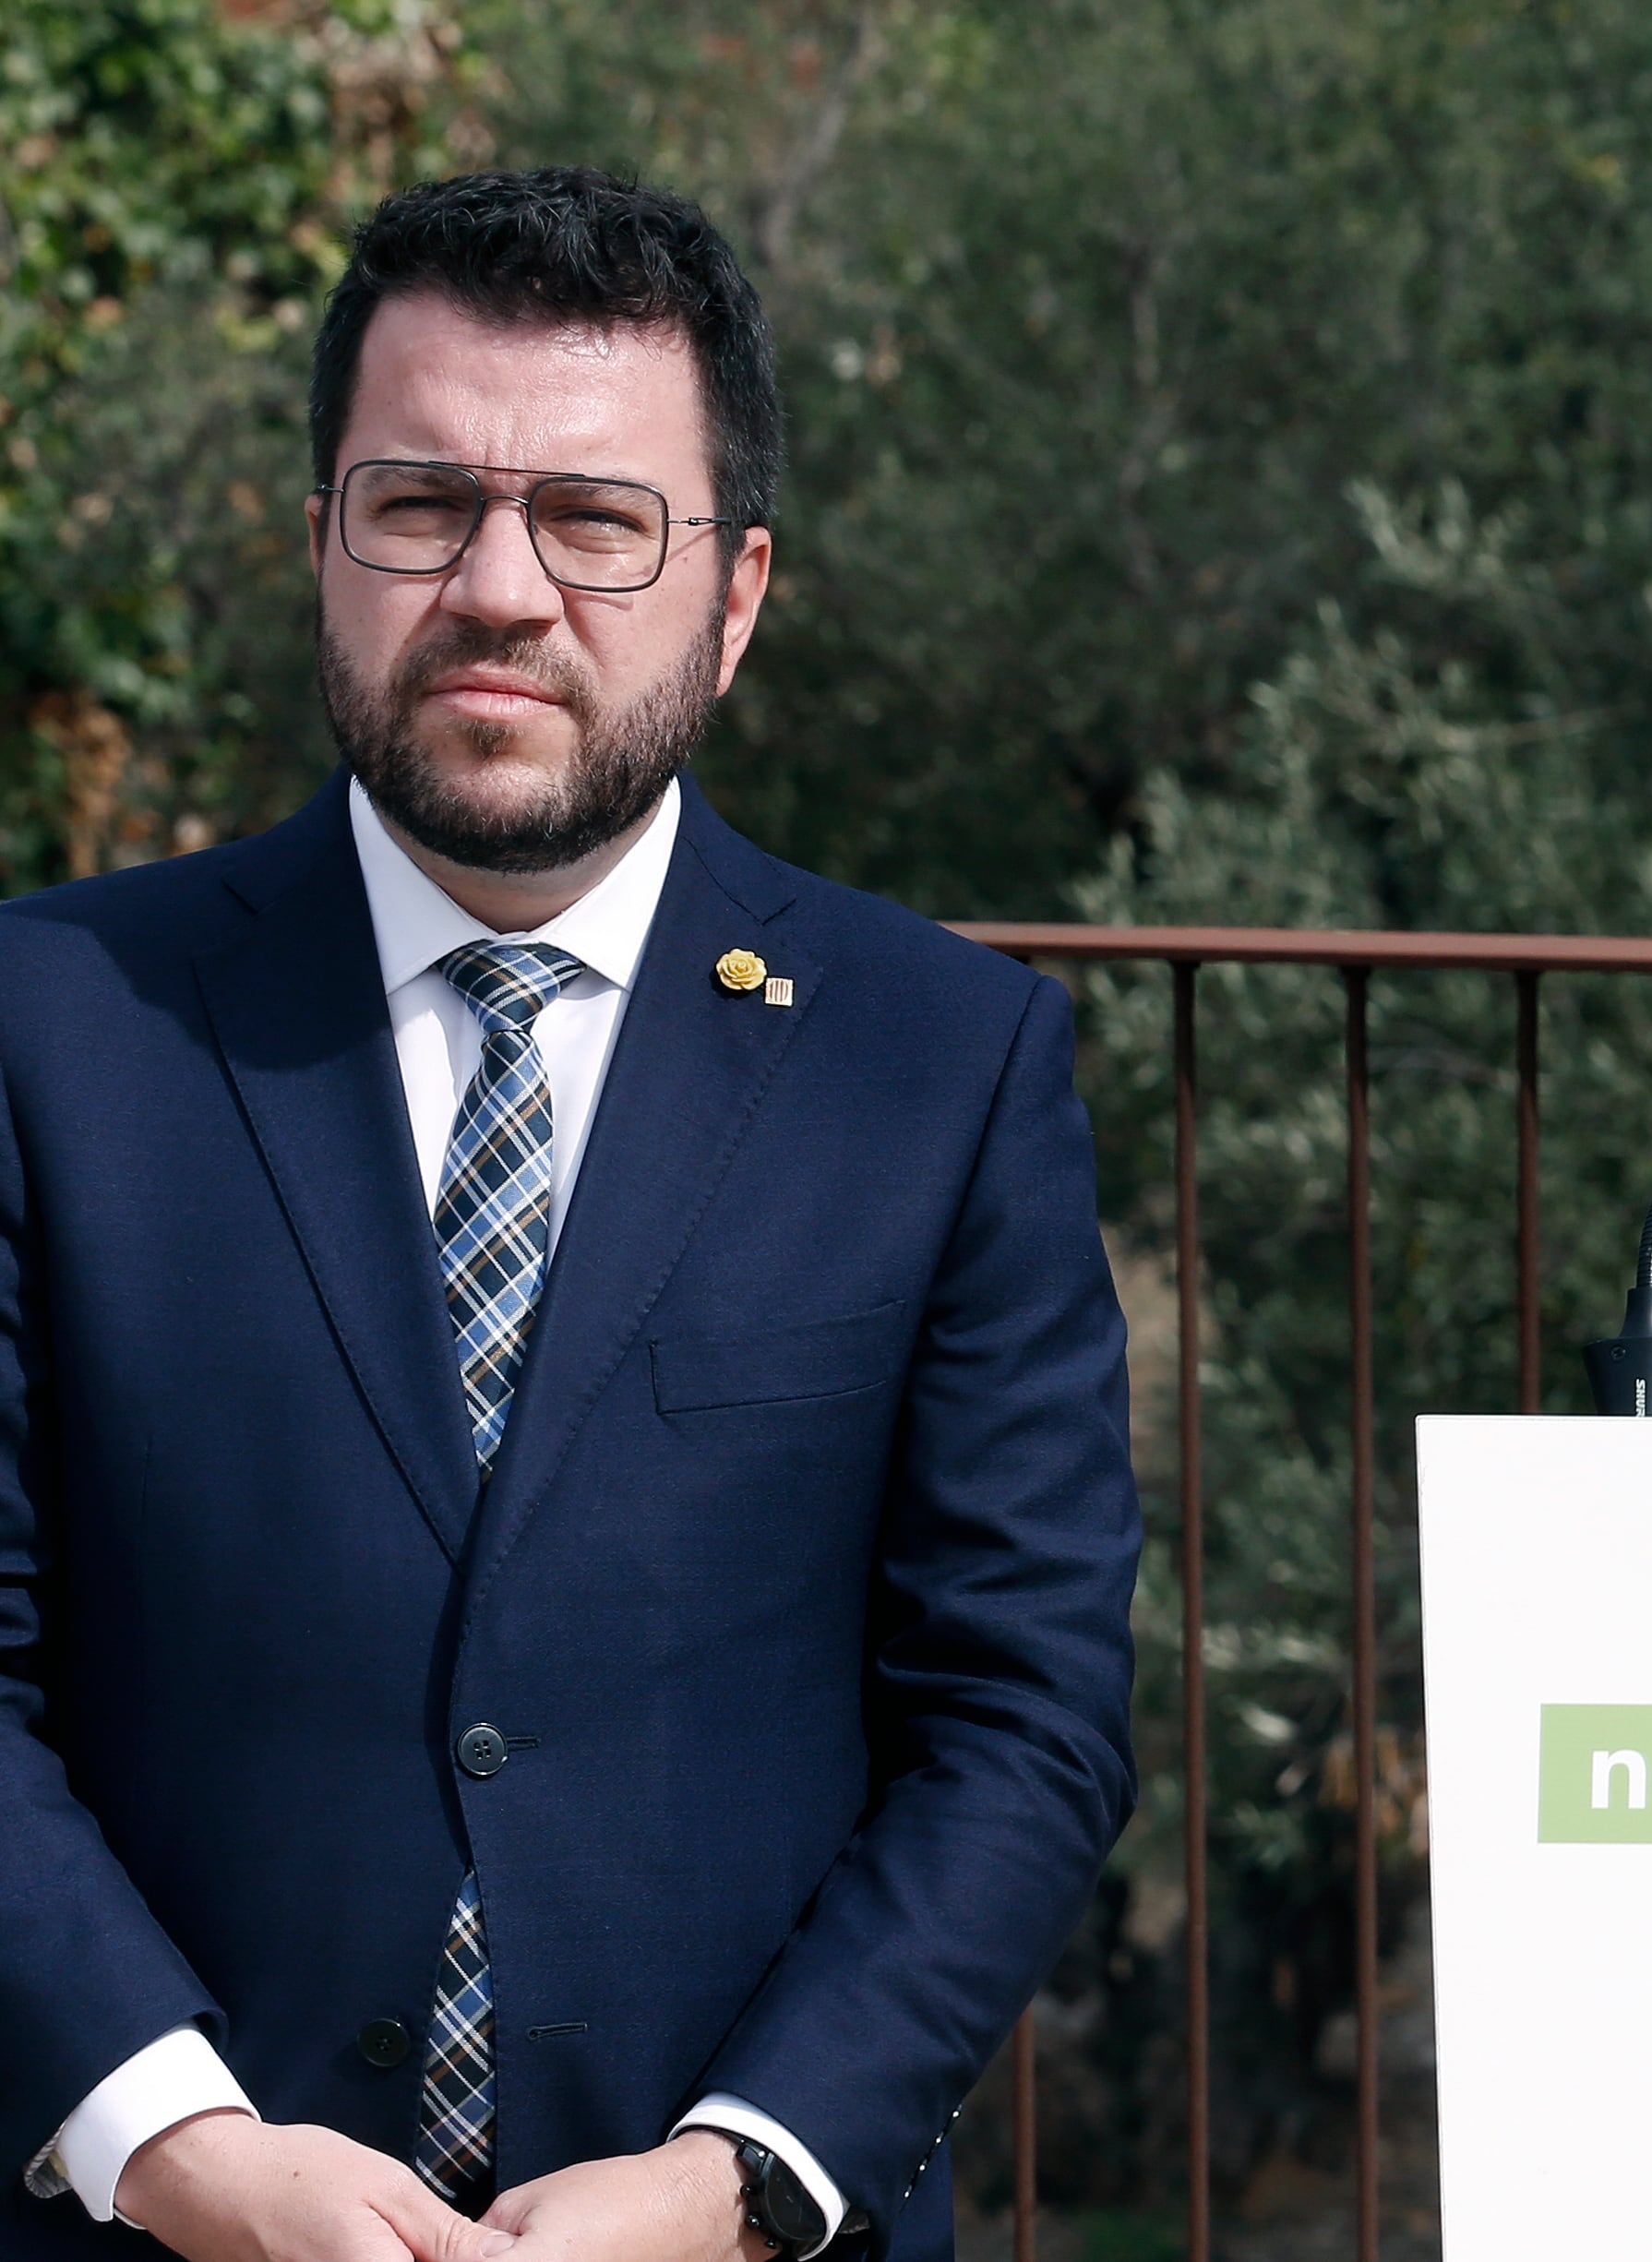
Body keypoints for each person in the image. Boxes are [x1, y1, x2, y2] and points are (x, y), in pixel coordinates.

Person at [0, 171, 1140, 2262]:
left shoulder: (940, 1066)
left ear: (736, 590)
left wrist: (739, 2179)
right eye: (418, 504)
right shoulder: (44, 1026)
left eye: (598, 521)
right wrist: (171, 2142)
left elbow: (1023, 1716)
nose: (501, 590)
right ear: (320, 544)